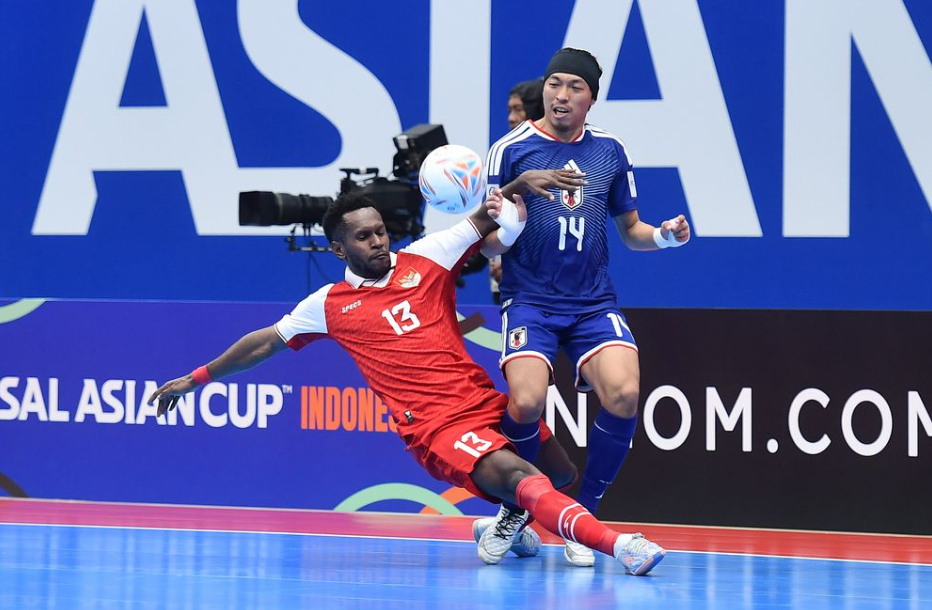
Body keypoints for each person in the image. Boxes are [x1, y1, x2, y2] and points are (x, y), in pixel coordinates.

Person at [148, 190, 667, 574]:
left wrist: (518, 186)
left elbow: (486, 215)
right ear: (338, 248)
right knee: (519, 477)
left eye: (379, 231)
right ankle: (621, 545)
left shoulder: (428, 257)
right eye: (363, 236)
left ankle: (509, 522)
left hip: (483, 402)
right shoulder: (327, 305)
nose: (377, 241)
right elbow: (263, 342)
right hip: (436, 427)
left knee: (560, 475)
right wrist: (194, 379)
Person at [480, 47, 690, 567]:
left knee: (624, 392)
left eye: (575, 86)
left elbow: (632, 231)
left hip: (593, 302)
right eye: (555, 84)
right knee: (525, 403)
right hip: (529, 300)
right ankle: (516, 509)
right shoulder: (510, 150)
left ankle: (582, 513)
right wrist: (503, 219)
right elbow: (487, 245)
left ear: (591, 98)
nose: (561, 94)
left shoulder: (610, 151)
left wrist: (663, 237)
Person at [492, 77, 547, 304]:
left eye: (518, 110)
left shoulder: (551, 160)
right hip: (514, 290)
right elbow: (492, 218)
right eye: (509, 110)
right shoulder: (505, 155)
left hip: (545, 282)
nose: (511, 118)